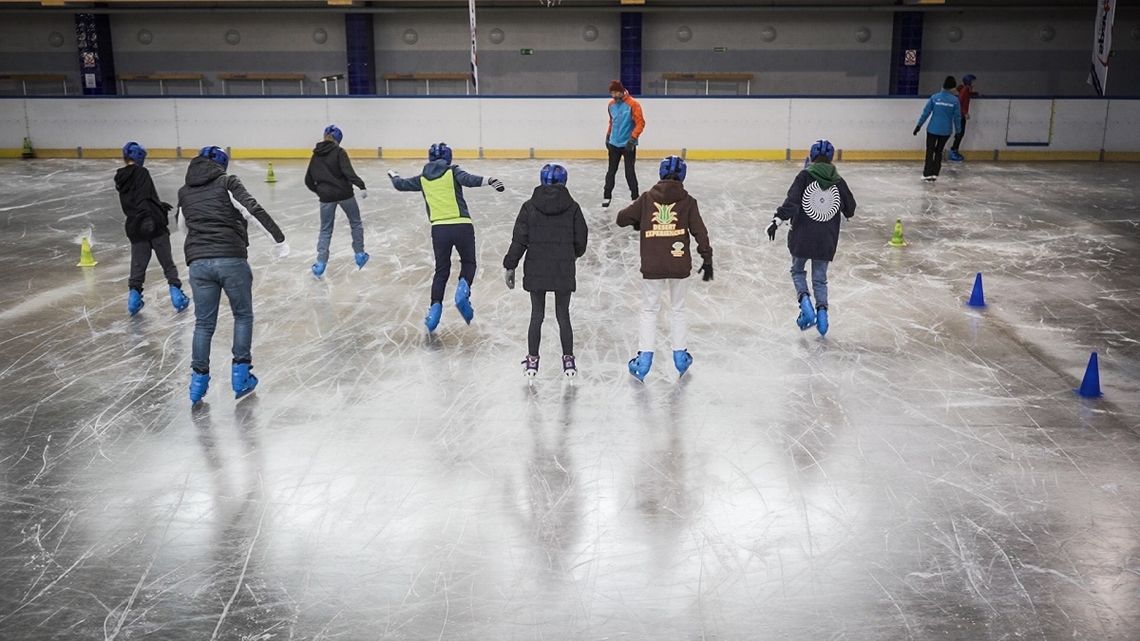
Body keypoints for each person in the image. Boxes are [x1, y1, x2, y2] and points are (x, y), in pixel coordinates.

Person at [178, 146, 288, 404]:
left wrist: (199, 250)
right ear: (221, 165)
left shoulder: (185, 192)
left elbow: (182, 227)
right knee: (242, 315)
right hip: (231, 259)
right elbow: (252, 209)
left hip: (199, 264)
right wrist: (279, 240)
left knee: (204, 324)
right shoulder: (227, 182)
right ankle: (241, 376)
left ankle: (197, 384)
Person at [387, 142, 505, 332]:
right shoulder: (453, 172)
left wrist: (393, 174)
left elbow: (400, 185)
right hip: (462, 225)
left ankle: (434, 312)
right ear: (449, 157)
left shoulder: (423, 178)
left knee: (441, 271)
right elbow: (470, 180)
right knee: (469, 263)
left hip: (439, 229)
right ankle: (462, 290)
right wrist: (490, 180)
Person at [616, 156, 712, 381]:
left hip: (653, 265)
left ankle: (645, 360)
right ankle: (680, 357)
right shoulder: (688, 201)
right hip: (679, 264)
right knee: (678, 309)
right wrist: (707, 258)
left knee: (650, 310)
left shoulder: (648, 199)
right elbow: (700, 232)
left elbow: (621, 218)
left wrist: (640, 220)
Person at [503, 163, 589, 378]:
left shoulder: (529, 207)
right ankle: (568, 361)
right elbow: (581, 240)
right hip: (563, 268)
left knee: (537, 315)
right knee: (563, 315)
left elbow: (519, 240)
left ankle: (532, 362)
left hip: (536, 268)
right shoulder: (573, 207)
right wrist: (572, 256)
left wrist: (510, 265)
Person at [765, 139, 856, 337]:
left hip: (802, 236)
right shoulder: (838, 181)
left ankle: (805, 301)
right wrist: (845, 212)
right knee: (820, 279)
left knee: (797, 270)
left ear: (812, 157)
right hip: (826, 240)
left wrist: (777, 221)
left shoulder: (805, 176)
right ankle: (822, 315)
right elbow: (851, 208)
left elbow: (792, 202)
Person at [115, 141, 190, 316]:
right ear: (139, 156)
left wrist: (158, 204)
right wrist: (151, 216)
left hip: (134, 226)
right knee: (167, 262)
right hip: (153, 225)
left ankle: (133, 300)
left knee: (138, 264)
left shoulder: (121, 176)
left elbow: (134, 200)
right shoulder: (142, 172)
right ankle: (177, 296)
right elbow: (142, 198)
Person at [304, 124, 368, 278]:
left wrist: (321, 191)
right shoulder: (339, 152)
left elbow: (308, 180)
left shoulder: (316, 155)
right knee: (355, 223)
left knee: (325, 230)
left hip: (326, 198)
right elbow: (348, 172)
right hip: (345, 194)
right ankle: (359, 254)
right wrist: (361, 185)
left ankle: (320, 264)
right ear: (339, 139)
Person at [602, 79, 646, 208]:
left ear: (621, 91)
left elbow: (640, 123)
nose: (614, 95)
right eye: (612, 93)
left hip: (628, 145)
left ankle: (635, 197)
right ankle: (607, 196)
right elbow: (612, 121)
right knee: (611, 171)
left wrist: (632, 139)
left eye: (616, 92)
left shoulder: (633, 104)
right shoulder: (611, 105)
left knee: (629, 172)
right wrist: (608, 136)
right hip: (614, 143)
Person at [913, 75, 962, 181]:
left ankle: (927, 173)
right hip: (945, 131)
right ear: (953, 88)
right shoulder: (955, 101)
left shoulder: (935, 97)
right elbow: (957, 118)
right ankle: (935, 173)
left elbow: (926, 113)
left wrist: (919, 126)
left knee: (930, 151)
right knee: (939, 151)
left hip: (932, 129)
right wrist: (958, 131)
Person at [949, 74, 977, 162]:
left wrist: (974, 93)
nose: (973, 84)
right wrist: (965, 112)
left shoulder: (965, 89)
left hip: (960, 115)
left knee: (960, 133)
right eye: (972, 82)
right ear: (968, 82)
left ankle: (954, 150)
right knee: (960, 133)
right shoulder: (965, 90)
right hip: (960, 115)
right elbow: (959, 101)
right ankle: (953, 151)